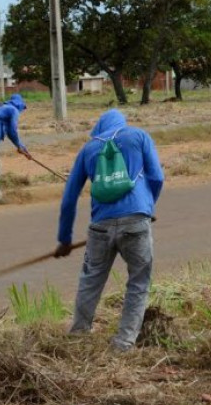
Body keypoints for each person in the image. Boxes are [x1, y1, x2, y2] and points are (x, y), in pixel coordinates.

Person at [55, 109, 164, 352]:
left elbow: (69, 198)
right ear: (122, 123)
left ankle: (78, 335)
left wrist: (64, 239)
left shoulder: (88, 149)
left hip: (100, 228)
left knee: (90, 280)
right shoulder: (138, 136)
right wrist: (147, 207)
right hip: (136, 222)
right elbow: (156, 177)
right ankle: (123, 343)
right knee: (138, 281)